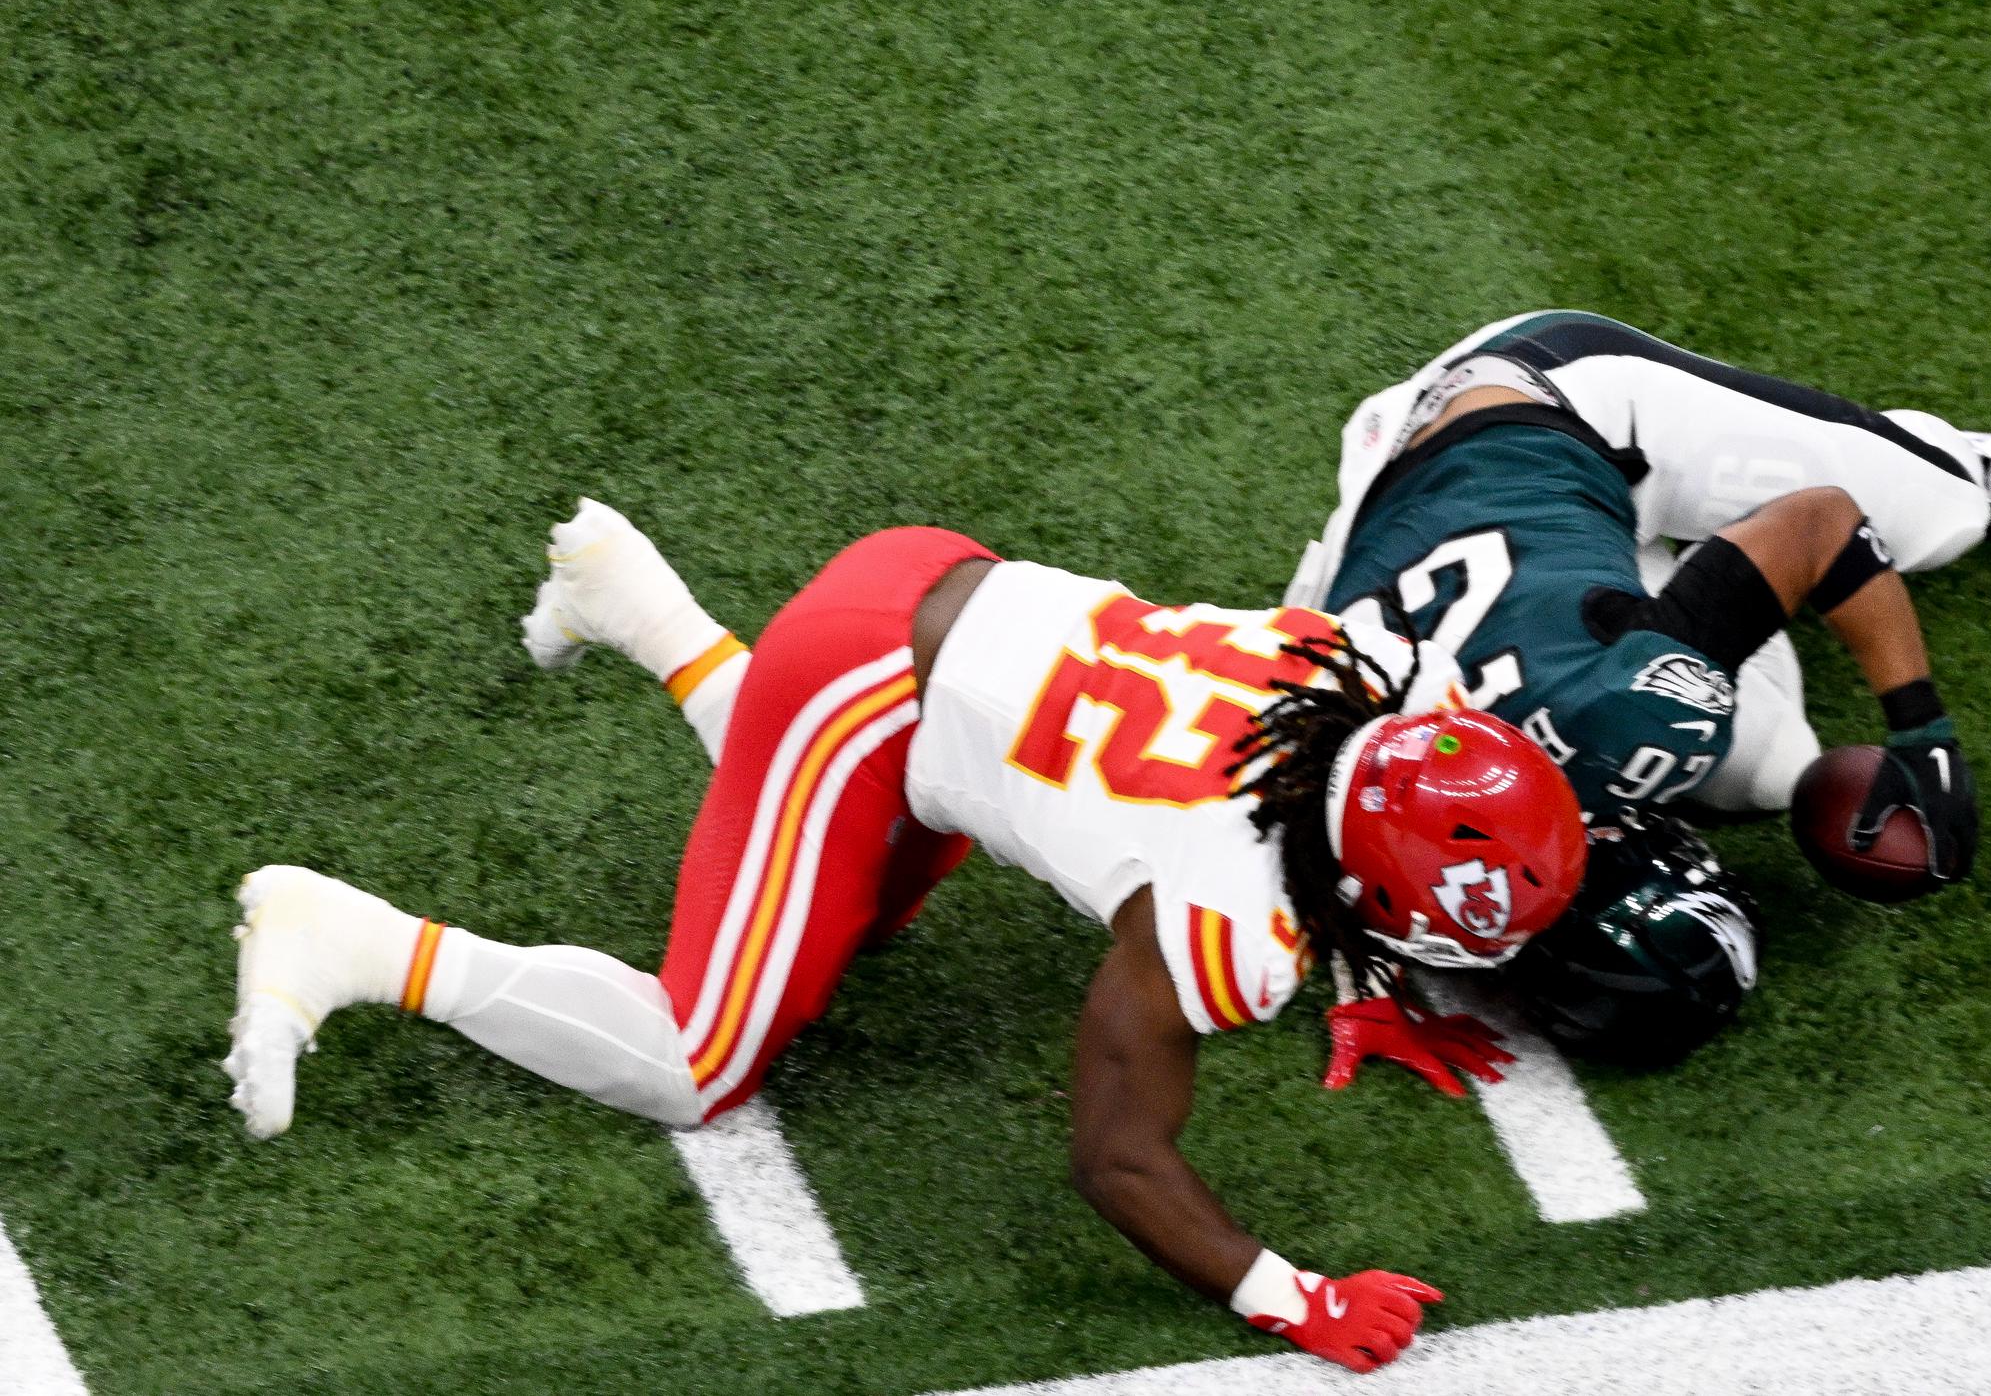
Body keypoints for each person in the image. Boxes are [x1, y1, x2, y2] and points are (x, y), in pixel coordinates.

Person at [223, 500, 1588, 1373]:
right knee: (701, 1059)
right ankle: (351, 936)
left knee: (860, 923)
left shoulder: (1361, 673)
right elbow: (1115, 1157)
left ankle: (636, 601)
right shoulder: (1229, 922)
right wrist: (1291, 1293)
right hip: (870, 696)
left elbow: (1346, 830)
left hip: (943, 586)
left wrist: (1366, 979)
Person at [1285, 310, 1991, 1059]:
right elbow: (1343, 869)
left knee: (1939, 513)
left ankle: (1960, 460)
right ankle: (1690, 599)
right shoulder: (1359, 773)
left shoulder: (1624, 723)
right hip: (1409, 549)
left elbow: (1824, 521)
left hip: (1555, 405)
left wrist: (1921, 731)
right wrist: (1368, 998)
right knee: (1773, 766)